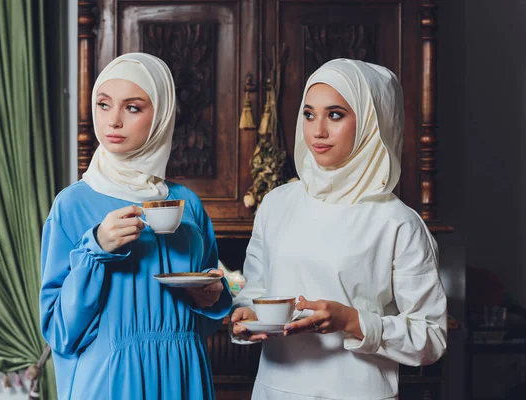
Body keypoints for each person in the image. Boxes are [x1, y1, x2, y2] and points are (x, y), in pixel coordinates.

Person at [230, 59, 447, 399]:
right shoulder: (276, 204)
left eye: (335, 114)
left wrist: (353, 321)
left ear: (371, 123)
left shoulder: (397, 222)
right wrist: (244, 315)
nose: (317, 131)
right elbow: (255, 289)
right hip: (276, 389)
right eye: (308, 114)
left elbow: (431, 339)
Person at [39, 53, 231, 400]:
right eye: (103, 104)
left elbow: (207, 319)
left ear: (161, 115)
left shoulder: (187, 203)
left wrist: (213, 296)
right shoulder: (72, 205)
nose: (113, 121)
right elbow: (61, 333)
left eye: (132, 107)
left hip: (183, 373)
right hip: (110, 379)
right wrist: (96, 248)